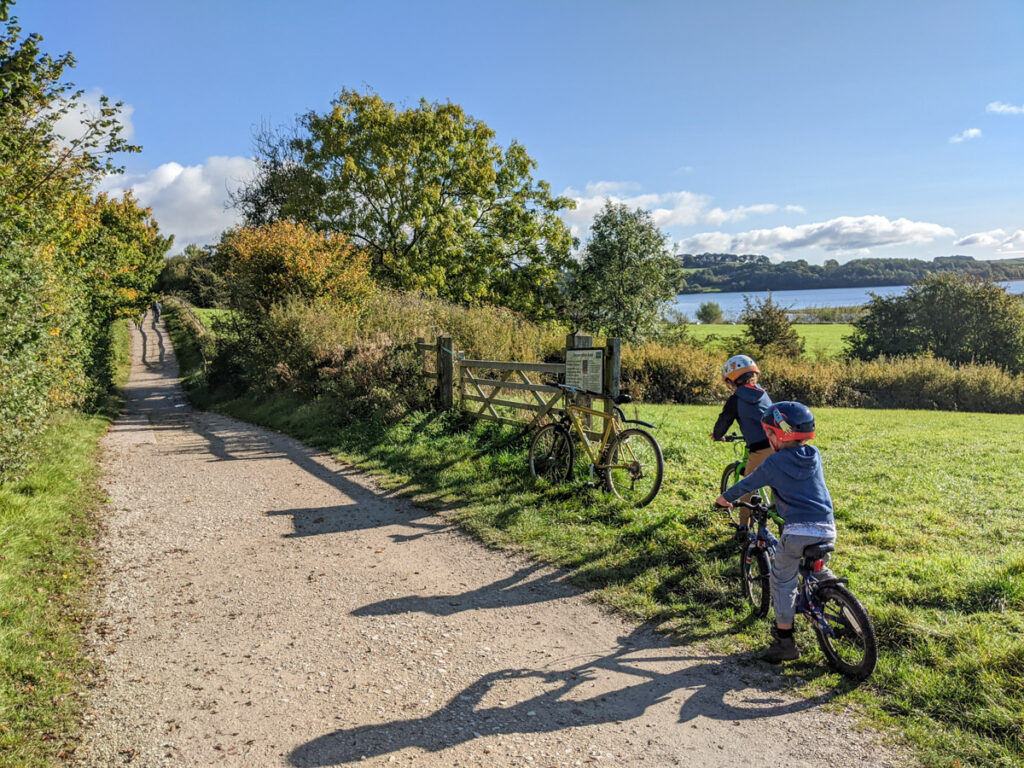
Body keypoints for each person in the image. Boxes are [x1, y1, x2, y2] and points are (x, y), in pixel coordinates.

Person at [716, 401, 835, 663]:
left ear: (778, 434)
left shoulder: (774, 462)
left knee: (783, 581)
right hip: (827, 527)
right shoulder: (814, 454)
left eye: (769, 433)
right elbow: (800, 489)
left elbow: (748, 483)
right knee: (817, 569)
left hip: (797, 532)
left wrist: (724, 499)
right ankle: (841, 606)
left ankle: (785, 642)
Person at [711, 354, 772, 531]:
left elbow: (723, 422)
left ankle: (744, 526)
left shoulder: (736, 399)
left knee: (748, 486)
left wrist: (717, 435)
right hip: (780, 444)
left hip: (760, 449)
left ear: (732, 381)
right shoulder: (762, 393)